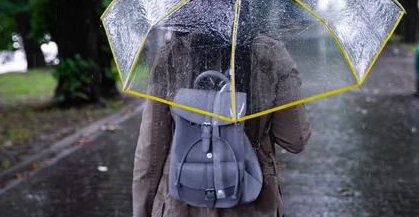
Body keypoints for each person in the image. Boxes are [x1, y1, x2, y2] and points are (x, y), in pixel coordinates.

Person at [132, 31, 311, 217]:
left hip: (181, 200)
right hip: (254, 198)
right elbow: (294, 139)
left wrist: (143, 211)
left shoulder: (172, 55)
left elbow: (150, 151)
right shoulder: (271, 53)